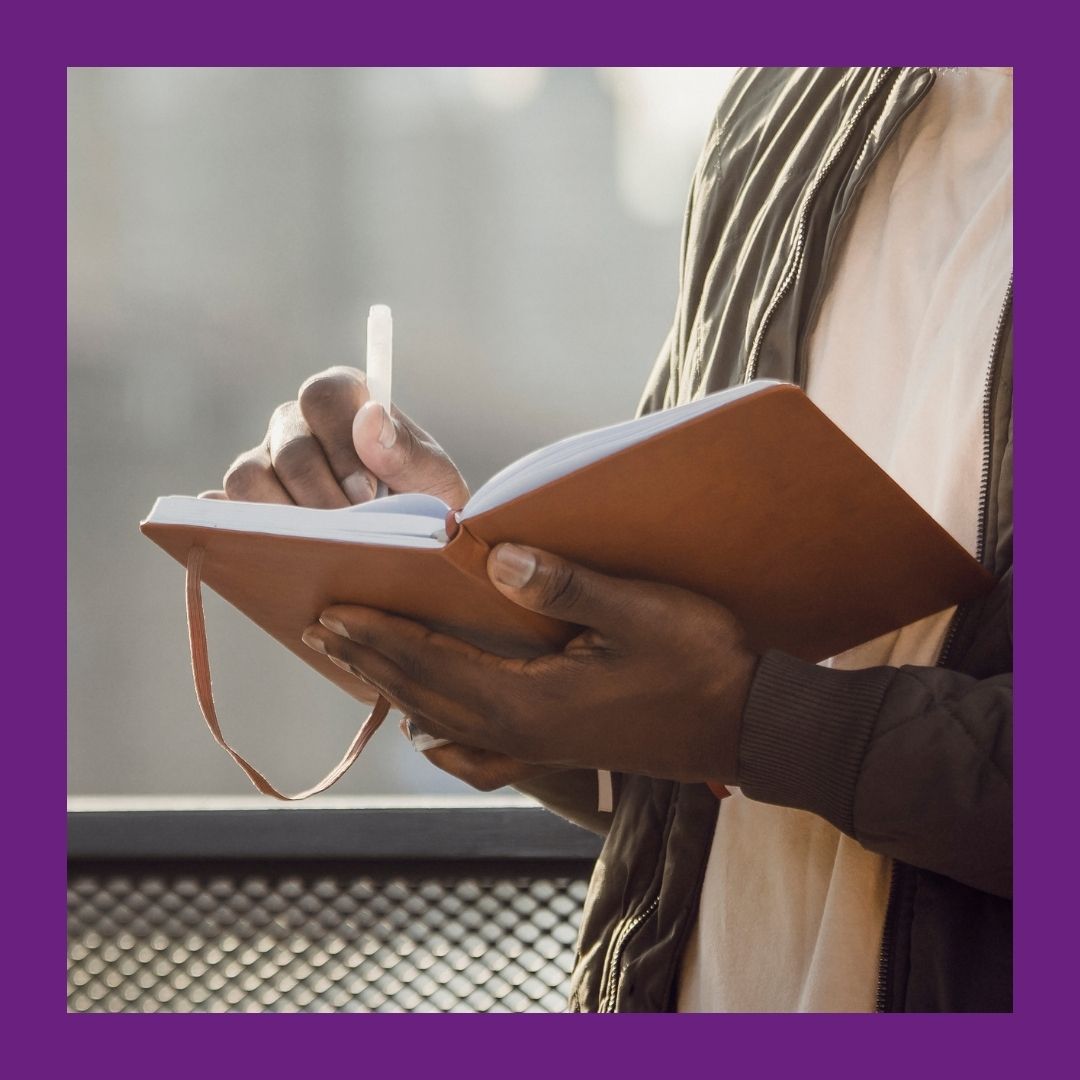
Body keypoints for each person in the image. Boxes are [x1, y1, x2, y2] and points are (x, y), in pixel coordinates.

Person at [209, 67, 1011, 1011]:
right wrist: (485, 624)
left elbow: (734, 721)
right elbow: (672, 779)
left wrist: (752, 720)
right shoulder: (783, 107)